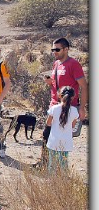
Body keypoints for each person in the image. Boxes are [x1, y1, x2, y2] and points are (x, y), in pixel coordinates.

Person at [35, 37, 88, 168]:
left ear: (66, 49)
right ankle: (46, 164)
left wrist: (82, 108)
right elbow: (55, 84)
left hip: (68, 106)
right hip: (54, 105)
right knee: (48, 134)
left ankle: (58, 169)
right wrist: (50, 82)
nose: (54, 52)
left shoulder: (73, 64)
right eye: (53, 49)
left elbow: (84, 86)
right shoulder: (56, 64)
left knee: (62, 138)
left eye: (57, 49)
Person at [45, 86, 79, 173]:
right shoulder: (74, 111)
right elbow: (72, 125)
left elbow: (48, 123)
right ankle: (63, 182)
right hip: (66, 141)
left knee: (52, 164)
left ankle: (51, 182)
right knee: (63, 164)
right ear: (73, 97)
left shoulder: (54, 108)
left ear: (60, 95)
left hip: (54, 140)